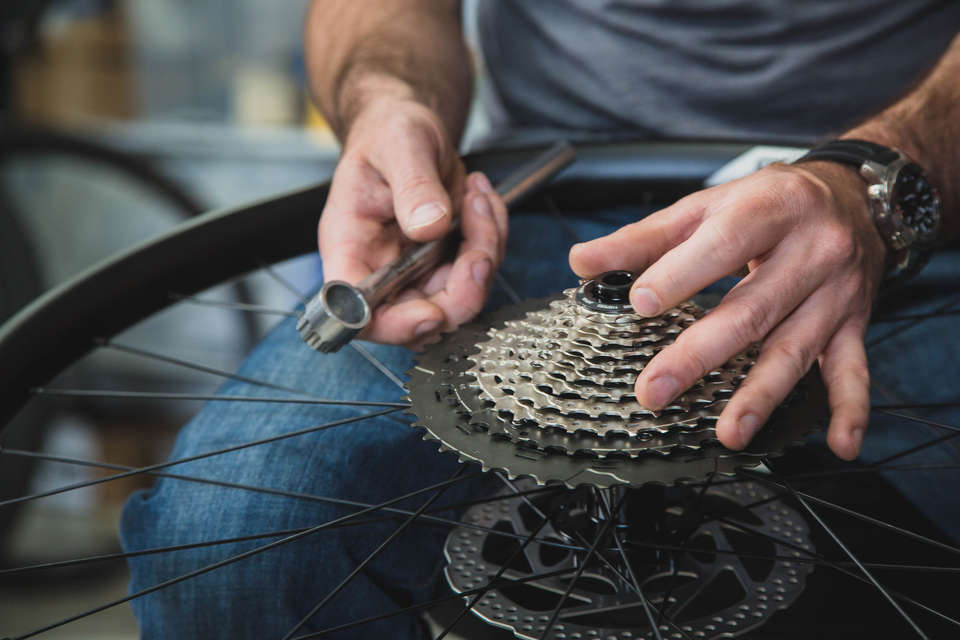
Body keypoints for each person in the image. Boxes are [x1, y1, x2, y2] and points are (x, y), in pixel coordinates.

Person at [120, 2, 960, 638]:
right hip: (545, 212)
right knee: (225, 543)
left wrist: (878, 188)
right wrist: (389, 103)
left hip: (897, 214)